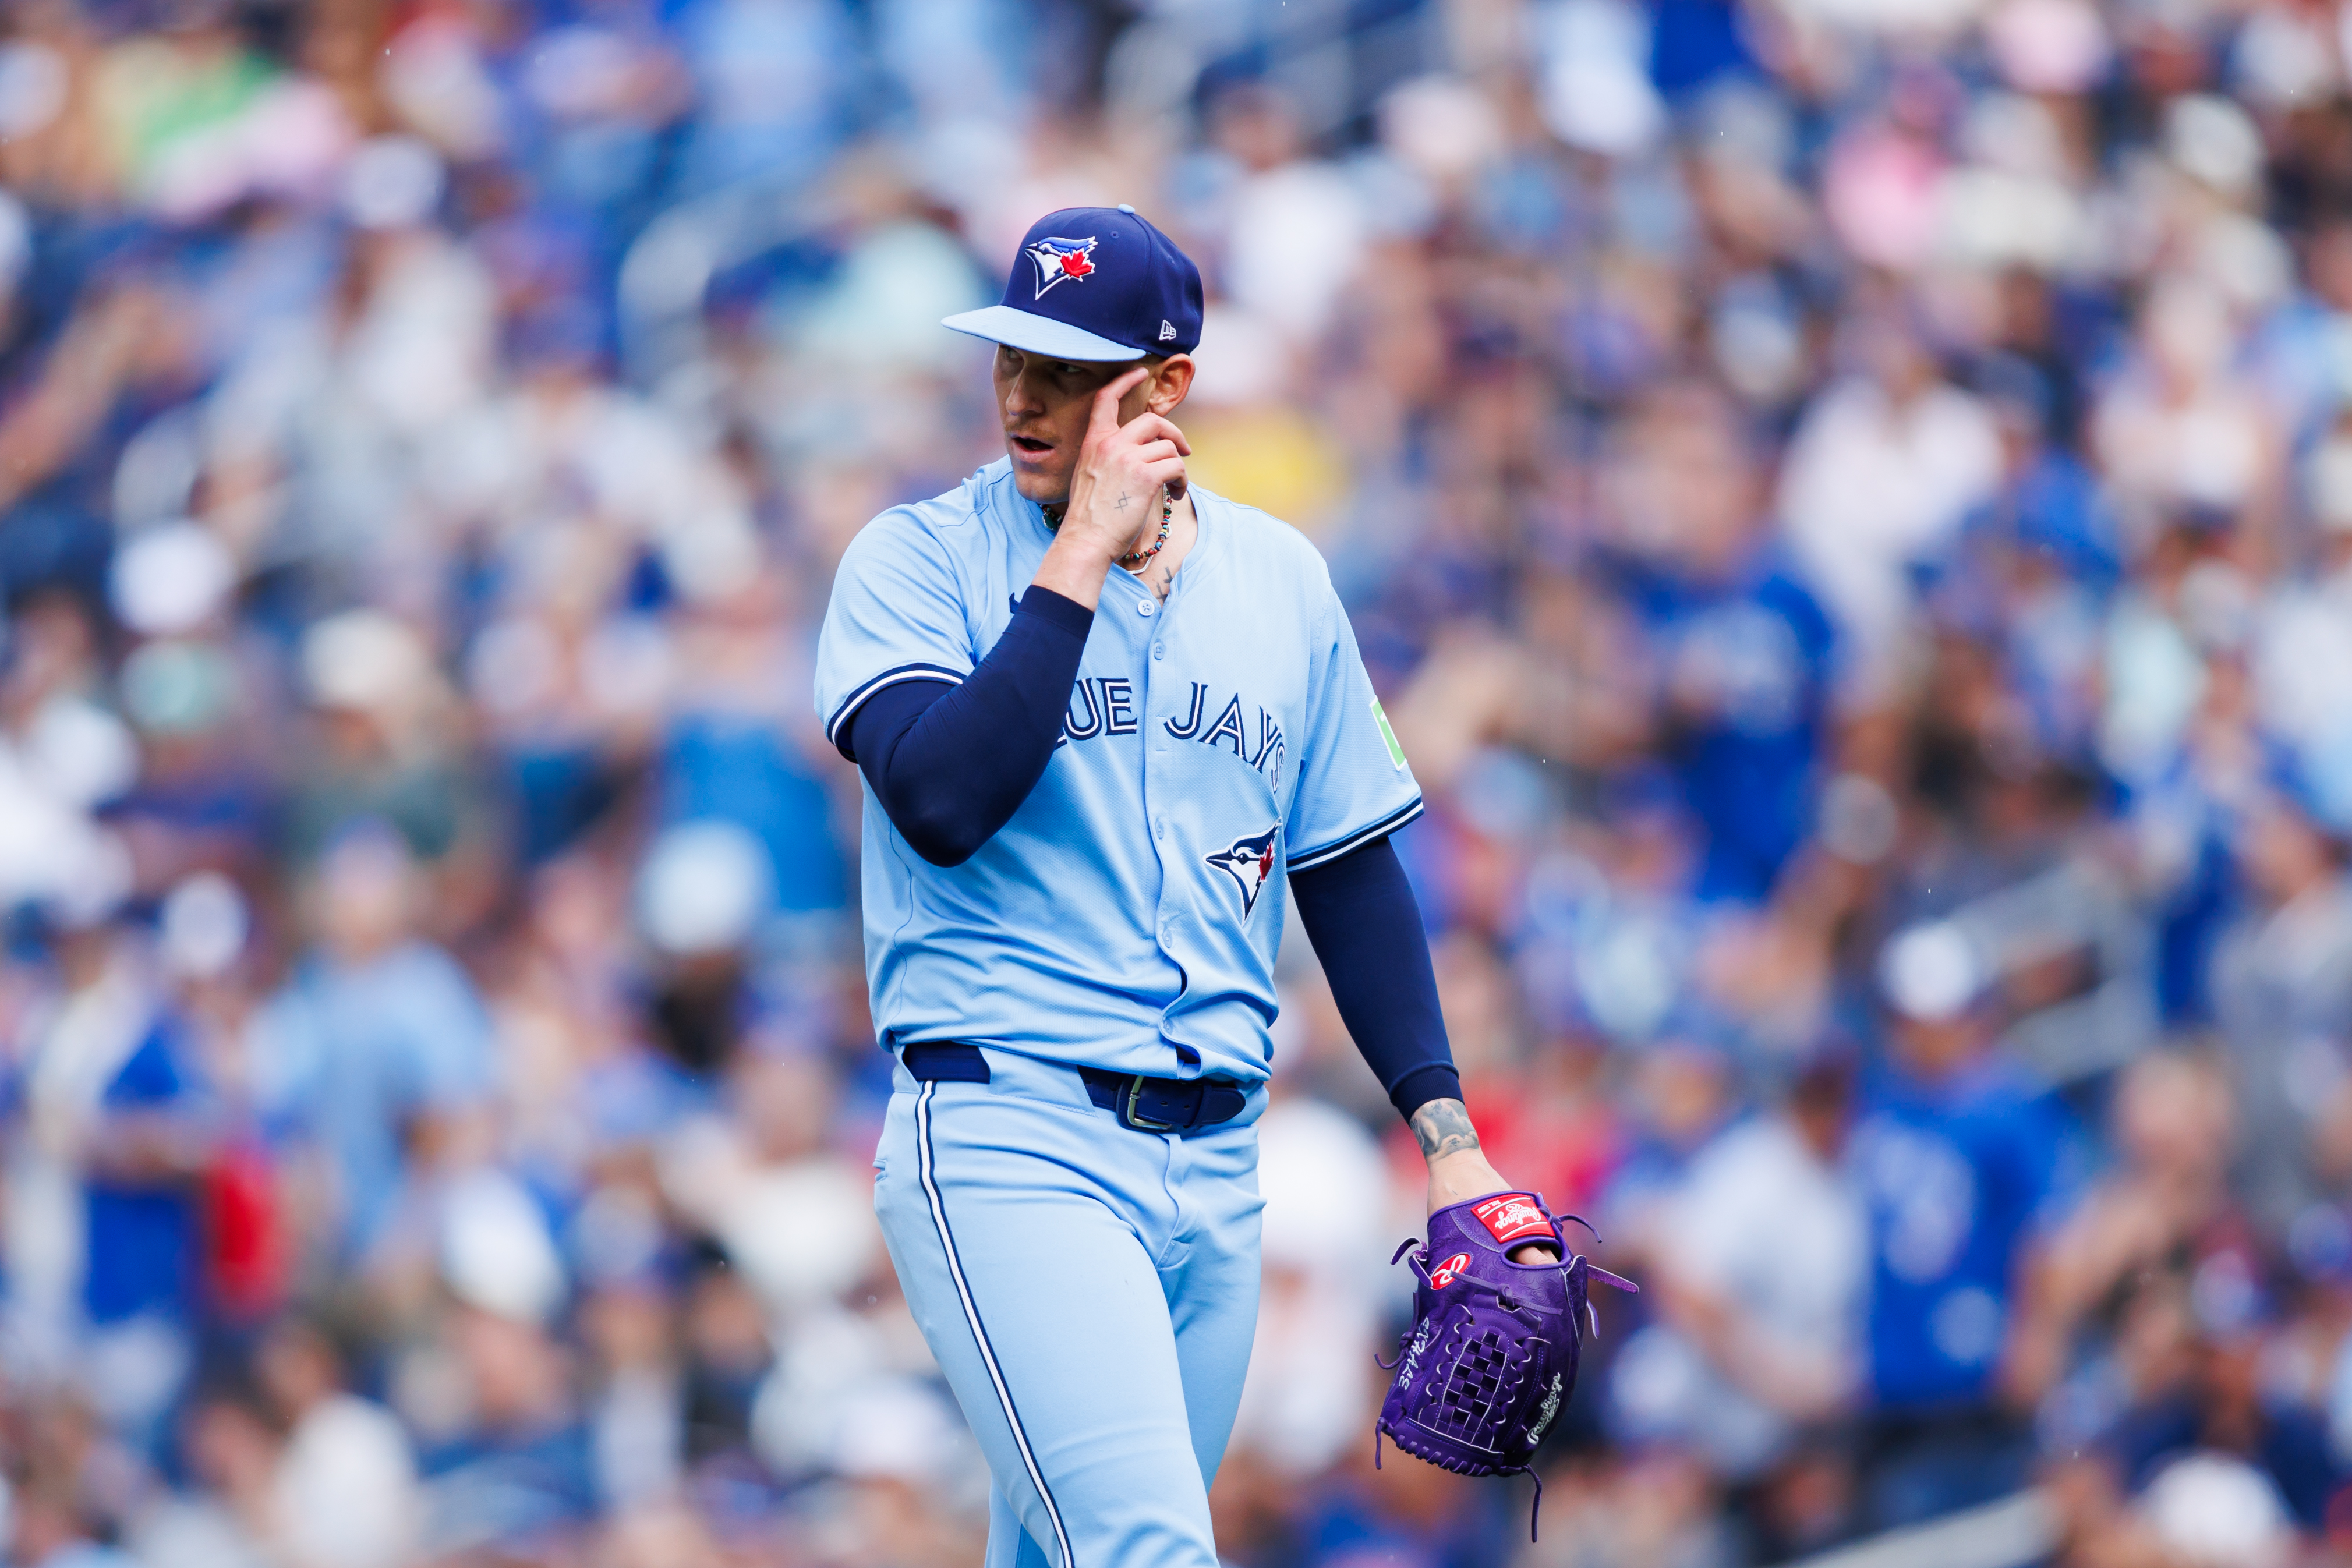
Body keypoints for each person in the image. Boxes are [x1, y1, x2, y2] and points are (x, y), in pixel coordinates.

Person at [814, 206, 1547, 1568]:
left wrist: (1446, 1140)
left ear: (1166, 391)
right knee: (1150, 1552)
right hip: (1011, 1136)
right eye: (1012, 358)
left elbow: (1347, 867)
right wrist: (1078, 558)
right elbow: (940, 798)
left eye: (1072, 370)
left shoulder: (1280, 581)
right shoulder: (918, 561)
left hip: (1216, 1168)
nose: (1027, 396)